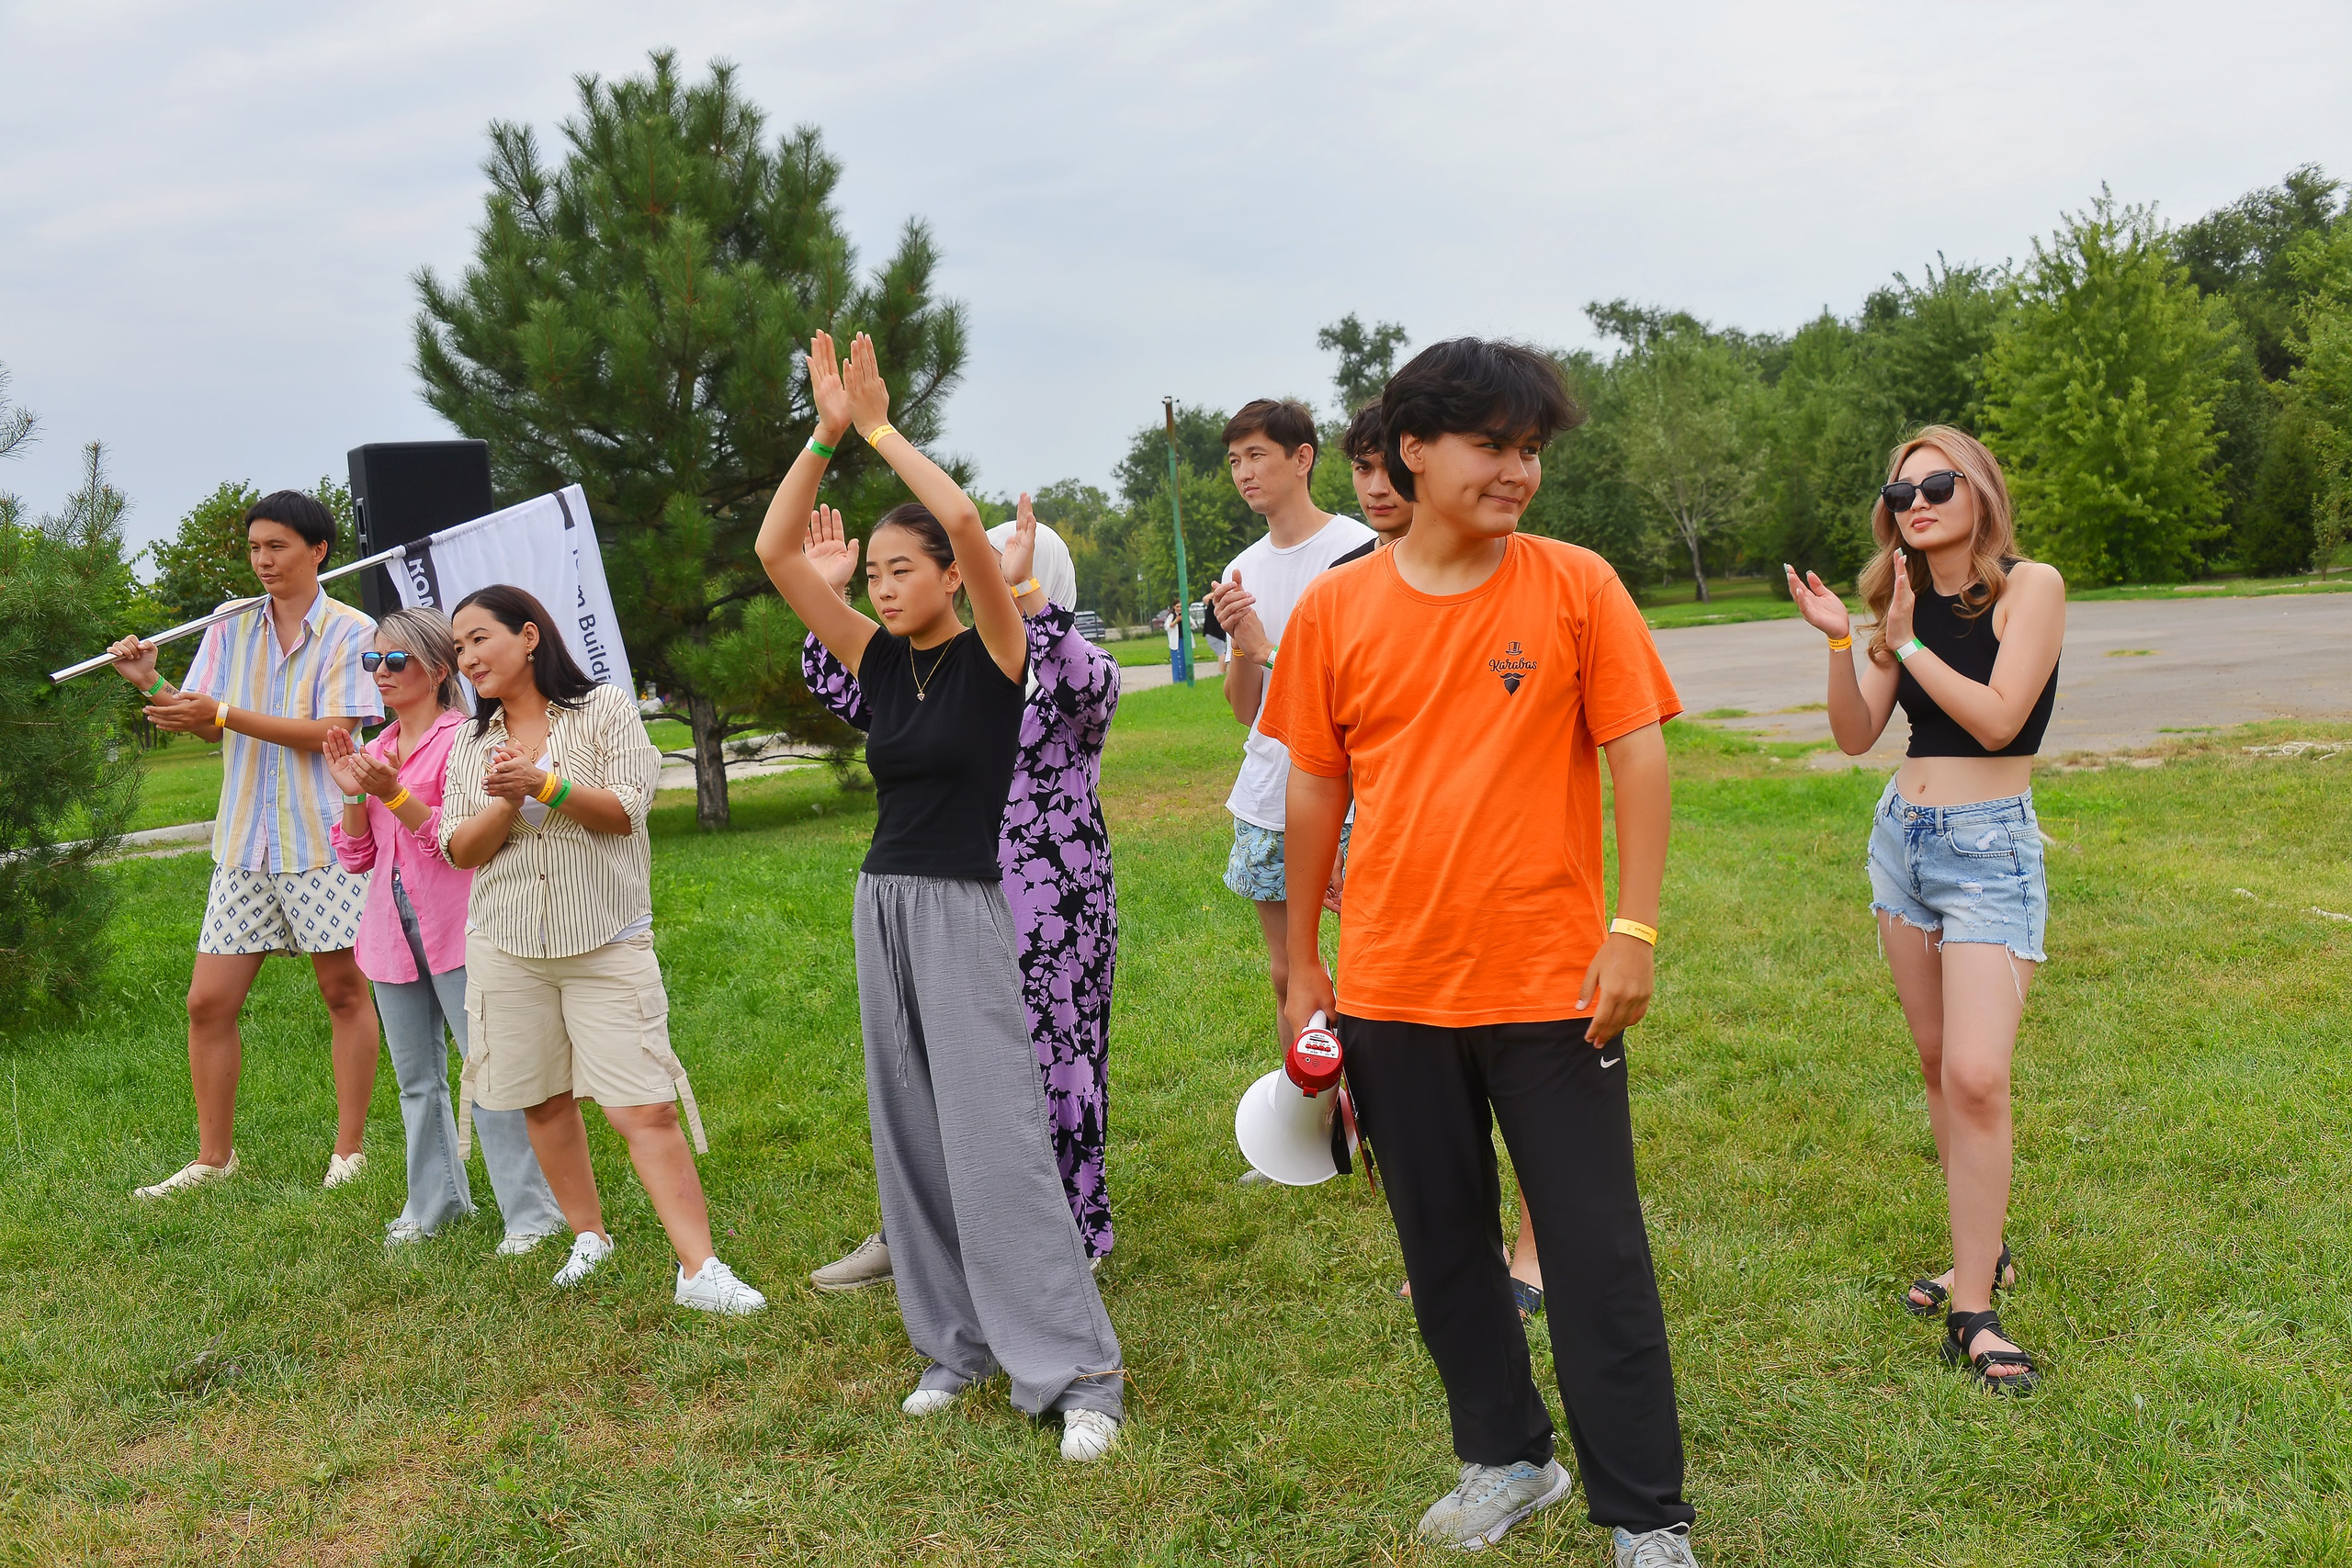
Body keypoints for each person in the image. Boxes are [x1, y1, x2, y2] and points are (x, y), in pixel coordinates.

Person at [1262, 339, 1702, 1564]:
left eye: (1531, 450)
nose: (1519, 471)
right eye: (1494, 444)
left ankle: (1646, 1516)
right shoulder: (1339, 608)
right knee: (1443, 1243)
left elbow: (1640, 752)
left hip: (1556, 985)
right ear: (1414, 445)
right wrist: (1304, 960)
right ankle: (1507, 1454)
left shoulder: (1574, 585)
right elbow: (1313, 783)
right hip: (1395, 985)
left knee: (1595, 1246)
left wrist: (1635, 925)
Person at [756, 330, 1125, 1463]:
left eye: (897, 568)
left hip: (972, 906)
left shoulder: (998, 656)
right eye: (870, 574)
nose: (879, 584)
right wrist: (819, 438)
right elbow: (776, 550)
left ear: (954, 580)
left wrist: (876, 428)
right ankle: (954, 1343)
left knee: (996, 1134)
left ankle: (1079, 1374)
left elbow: (964, 522)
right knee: (909, 1128)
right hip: (885, 904)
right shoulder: (876, 659)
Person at [1226, 402, 1550, 1319]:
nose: (1375, 488)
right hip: (1386, 878)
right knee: (1419, 1070)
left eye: (1386, 469)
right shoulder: (1348, 586)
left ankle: (1533, 1252)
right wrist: (1334, 848)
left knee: (1519, 1064)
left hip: (1498, 878)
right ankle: (1463, 1242)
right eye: (1362, 470)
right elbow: (1322, 749)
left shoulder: (1513, 575)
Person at [1785, 425, 2062, 1397]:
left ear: (1978, 487)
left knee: (1980, 1075)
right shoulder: (1896, 601)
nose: (1916, 502)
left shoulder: (2032, 587)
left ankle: (1975, 1313)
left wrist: (1902, 640)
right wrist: (1840, 638)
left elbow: (1995, 715)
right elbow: (1857, 732)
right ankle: (1976, 1257)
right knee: (1938, 1063)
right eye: (1899, 492)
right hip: (1904, 841)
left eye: (1935, 483)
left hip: (1989, 850)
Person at [796, 496, 1124, 1286]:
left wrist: (1026, 599)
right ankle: (918, 1231)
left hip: (1049, 897)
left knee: (1053, 1056)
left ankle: (1069, 1232)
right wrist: (833, 592)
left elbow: (1085, 693)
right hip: (942, 884)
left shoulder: (1063, 664)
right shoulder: (928, 671)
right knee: (932, 1064)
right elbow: (838, 680)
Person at [438, 584, 764, 1314]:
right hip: (508, 943)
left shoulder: (606, 709)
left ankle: (699, 1269)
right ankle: (590, 1236)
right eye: (457, 647)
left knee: (643, 1106)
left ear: (528, 636)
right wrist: (504, 797)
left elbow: (625, 811)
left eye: (478, 638)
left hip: (606, 938)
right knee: (542, 1099)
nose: (467, 657)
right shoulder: (471, 741)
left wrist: (544, 783)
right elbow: (460, 848)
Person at [107, 491, 385, 1198]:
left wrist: (225, 712)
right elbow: (205, 724)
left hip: (323, 838)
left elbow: (335, 734)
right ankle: (214, 1157)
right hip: (243, 845)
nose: (263, 559)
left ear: (317, 550)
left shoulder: (353, 631)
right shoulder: (230, 625)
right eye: (256, 547)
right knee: (208, 1002)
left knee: (344, 992)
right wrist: (153, 681)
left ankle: (350, 1150)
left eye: (278, 546)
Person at [324, 605, 564, 1252]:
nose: (380, 672)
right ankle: (435, 1205)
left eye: (394, 660)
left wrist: (392, 790)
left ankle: (531, 1214)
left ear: (435, 670)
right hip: (388, 937)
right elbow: (357, 857)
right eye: (373, 660)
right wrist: (353, 793)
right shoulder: (373, 750)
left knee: (489, 1071)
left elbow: (451, 844)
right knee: (416, 1080)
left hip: (460, 928)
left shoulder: (466, 741)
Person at [1198, 399, 1374, 1050]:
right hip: (1269, 793)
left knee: (1369, 974)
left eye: (1257, 456)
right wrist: (1244, 643)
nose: (1244, 473)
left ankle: (1380, 1127)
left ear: (1303, 459)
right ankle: (1310, 1132)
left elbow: (1355, 693)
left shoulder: (1360, 549)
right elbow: (1248, 710)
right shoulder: (1242, 569)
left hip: (1355, 793)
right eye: (1234, 460)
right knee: (1288, 973)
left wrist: (1269, 645)